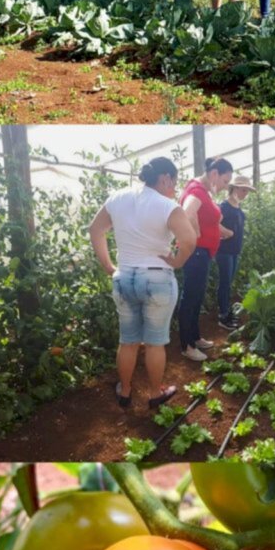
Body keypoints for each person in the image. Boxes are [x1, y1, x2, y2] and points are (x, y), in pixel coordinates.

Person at [88, 157, 198, 410]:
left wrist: (108, 265)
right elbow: (189, 240)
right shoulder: (167, 205)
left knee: (127, 340)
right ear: (165, 178)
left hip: (124, 276)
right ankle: (154, 393)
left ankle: (125, 391)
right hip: (157, 278)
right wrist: (178, 261)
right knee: (154, 342)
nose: (174, 187)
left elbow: (95, 230)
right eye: (174, 181)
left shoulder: (118, 198)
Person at [178, 158, 235, 361]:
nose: (225, 186)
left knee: (196, 297)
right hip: (196, 253)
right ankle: (187, 345)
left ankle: (195, 337)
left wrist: (222, 231)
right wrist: (194, 235)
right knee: (190, 298)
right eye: (225, 181)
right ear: (214, 174)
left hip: (202, 253)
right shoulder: (196, 191)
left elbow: (203, 219)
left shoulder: (203, 192)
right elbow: (186, 212)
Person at [215, 175, 256, 331]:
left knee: (228, 283)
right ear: (235, 188)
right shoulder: (224, 206)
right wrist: (227, 232)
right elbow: (213, 223)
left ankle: (227, 311)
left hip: (234, 251)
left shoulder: (237, 207)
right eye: (244, 190)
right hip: (224, 251)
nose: (246, 194)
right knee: (225, 283)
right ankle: (223, 316)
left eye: (247, 191)